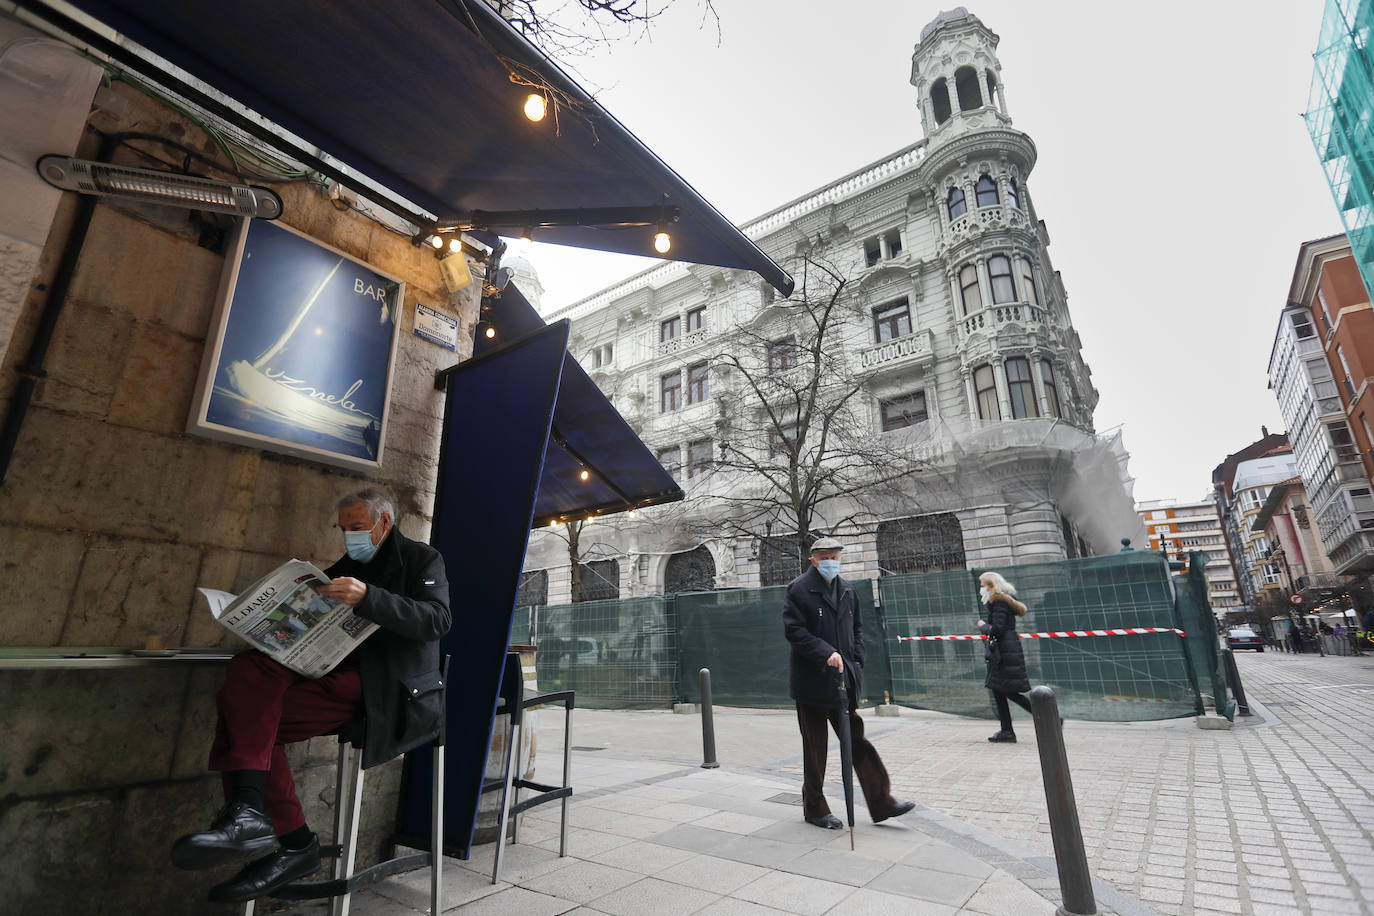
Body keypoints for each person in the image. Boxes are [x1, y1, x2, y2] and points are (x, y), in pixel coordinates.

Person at [171, 487, 451, 903]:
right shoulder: (344, 565)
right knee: (248, 673)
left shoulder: (421, 559)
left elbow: (437, 619)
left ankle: (291, 841)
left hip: (385, 686)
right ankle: (259, 820)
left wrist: (369, 597)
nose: (349, 537)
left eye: (357, 528)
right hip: (329, 670)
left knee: (246, 721)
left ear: (384, 523)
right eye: (343, 529)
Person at [782, 536, 914, 829]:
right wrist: (824, 652)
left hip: (843, 682)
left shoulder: (848, 590)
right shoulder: (799, 589)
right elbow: (794, 631)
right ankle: (815, 808)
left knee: (857, 742)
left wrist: (857, 659)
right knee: (815, 748)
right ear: (814, 559)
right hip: (812, 683)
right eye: (826, 556)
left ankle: (882, 802)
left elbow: (856, 629)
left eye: (836, 556)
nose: (832, 561)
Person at [978, 570, 1032, 743]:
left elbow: (998, 629)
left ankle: (1048, 716)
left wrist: (983, 626)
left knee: (1007, 691)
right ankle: (1006, 730)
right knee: (1000, 690)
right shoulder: (1001, 601)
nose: (981, 589)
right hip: (1006, 649)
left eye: (983, 585)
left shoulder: (999, 602)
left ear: (991, 586)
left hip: (1004, 651)